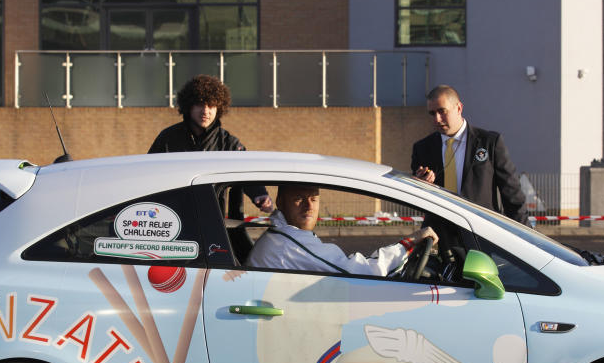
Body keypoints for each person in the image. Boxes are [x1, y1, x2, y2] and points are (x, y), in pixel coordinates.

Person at [149, 74, 272, 218]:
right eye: (200, 104)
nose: (205, 111)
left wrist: (260, 194)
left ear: (219, 108)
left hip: (212, 221)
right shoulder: (168, 138)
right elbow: (148, 173)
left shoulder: (228, 143)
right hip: (173, 219)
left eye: (211, 105)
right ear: (189, 106)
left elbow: (247, 169)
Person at [246, 184, 437, 275]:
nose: (309, 206)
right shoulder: (288, 242)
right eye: (299, 199)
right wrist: (407, 245)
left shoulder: (283, 235)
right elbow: (357, 271)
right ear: (280, 202)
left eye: (313, 199)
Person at [411, 85, 528, 224]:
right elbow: (418, 200)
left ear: (459, 108)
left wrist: (529, 239)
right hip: (439, 237)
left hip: (482, 233)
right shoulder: (422, 148)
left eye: (442, 111)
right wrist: (421, 186)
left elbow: (512, 194)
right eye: (432, 113)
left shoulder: (489, 142)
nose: (437, 119)